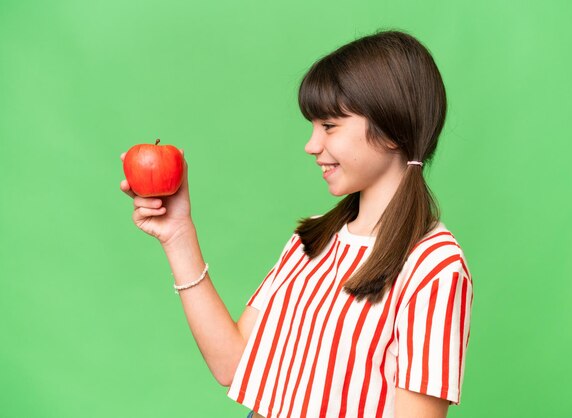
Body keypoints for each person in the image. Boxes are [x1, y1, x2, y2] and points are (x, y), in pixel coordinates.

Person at [120, 29, 473, 418]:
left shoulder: (435, 266)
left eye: (329, 125)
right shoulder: (313, 239)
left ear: (391, 130)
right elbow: (234, 365)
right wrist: (178, 235)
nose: (311, 145)